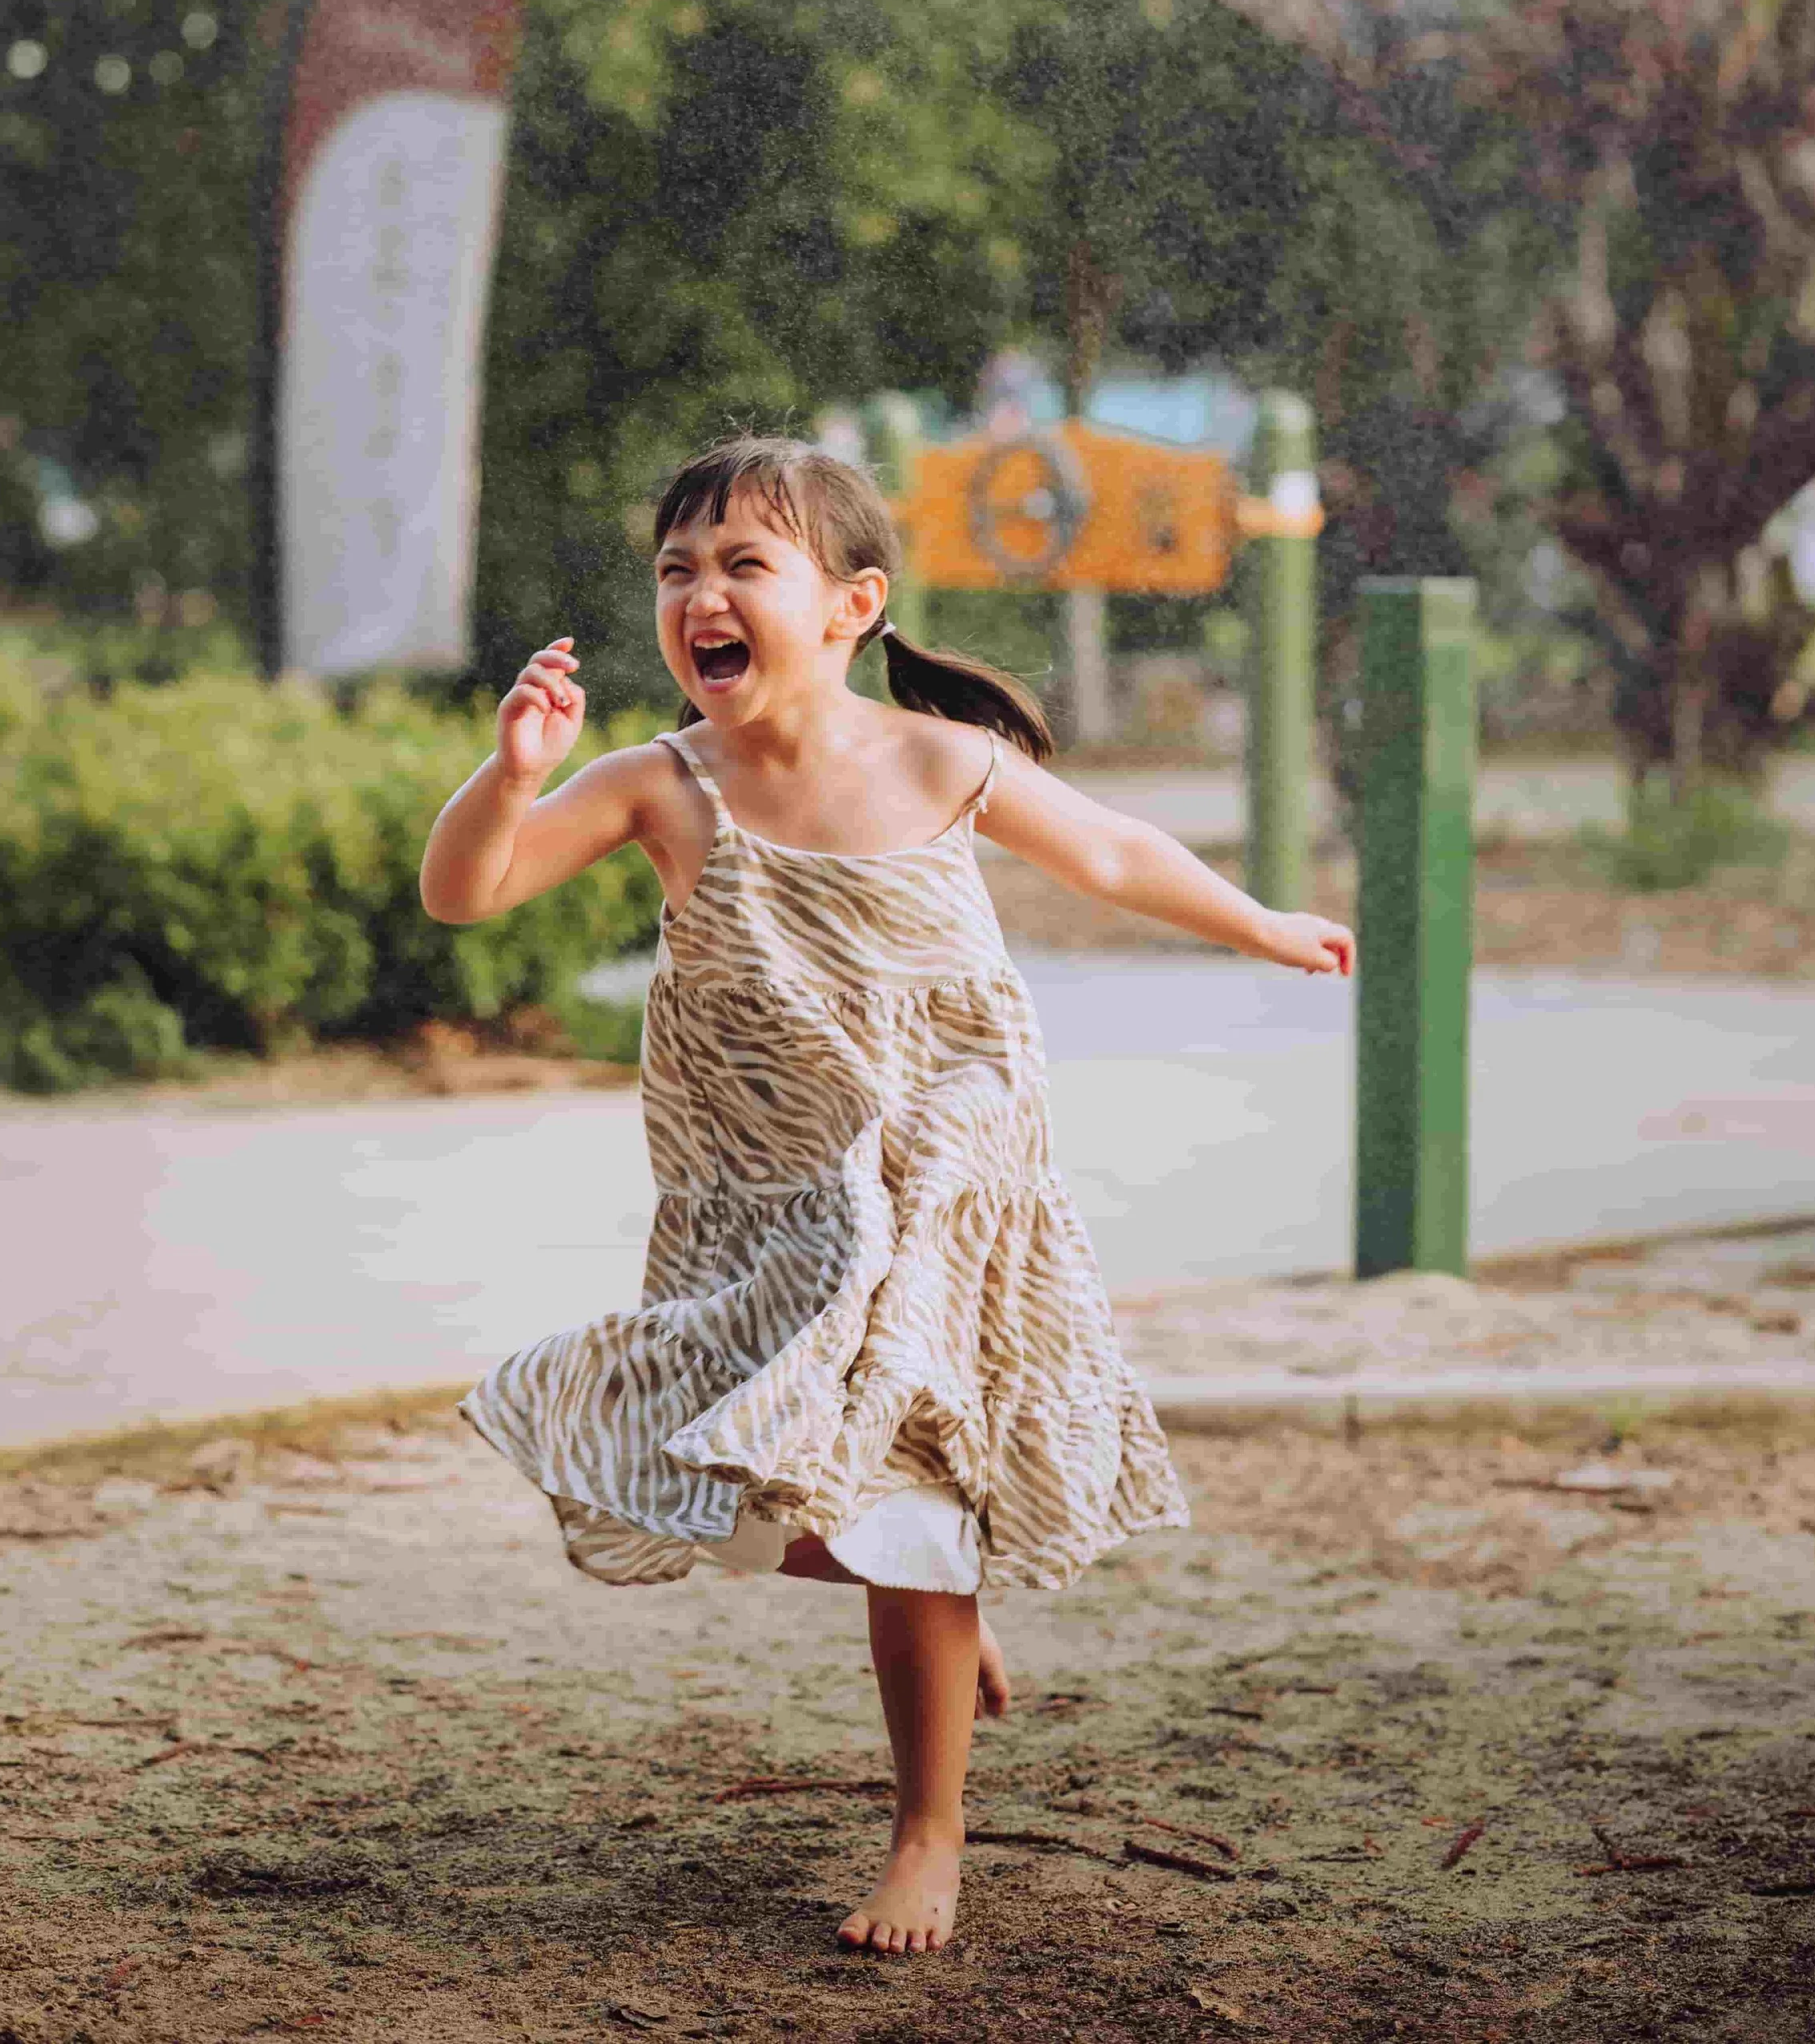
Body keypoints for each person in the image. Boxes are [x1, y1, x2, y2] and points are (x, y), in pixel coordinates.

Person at [419, 431, 1354, 1957]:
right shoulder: (661, 785)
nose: (701, 594)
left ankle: (931, 1830)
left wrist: (1259, 921)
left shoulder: (938, 758)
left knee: (911, 1507)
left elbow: (1112, 851)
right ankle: (949, 1591)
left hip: (943, 1174)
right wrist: (509, 773)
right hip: (767, 1214)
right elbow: (466, 892)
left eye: (744, 564)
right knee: (713, 1473)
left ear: (851, 606)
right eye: (677, 570)